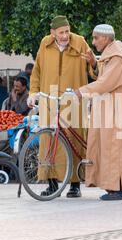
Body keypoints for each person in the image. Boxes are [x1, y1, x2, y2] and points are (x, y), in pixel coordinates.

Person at [27, 15, 96, 198]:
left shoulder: (80, 42)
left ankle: (75, 184)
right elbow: (37, 71)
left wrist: (92, 62)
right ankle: (51, 184)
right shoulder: (45, 43)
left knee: (73, 140)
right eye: (61, 33)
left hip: (73, 99)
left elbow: (94, 72)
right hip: (49, 99)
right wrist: (33, 92)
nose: (65, 36)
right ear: (53, 33)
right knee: (48, 141)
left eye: (67, 31)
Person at [74, 24, 122, 201]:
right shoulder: (112, 54)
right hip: (112, 110)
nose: (93, 42)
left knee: (115, 150)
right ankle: (119, 189)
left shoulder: (117, 57)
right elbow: (104, 77)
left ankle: (117, 190)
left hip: (116, 112)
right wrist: (94, 63)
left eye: (96, 38)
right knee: (114, 149)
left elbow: (107, 83)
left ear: (105, 38)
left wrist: (81, 91)